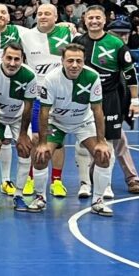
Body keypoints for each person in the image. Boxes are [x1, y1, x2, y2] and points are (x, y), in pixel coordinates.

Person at [30, 44, 113, 216]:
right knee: (40, 156)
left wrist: (101, 141)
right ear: (62, 61)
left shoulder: (92, 77)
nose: (74, 65)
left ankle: (98, 200)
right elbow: (44, 111)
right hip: (57, 122)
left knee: (103, 156)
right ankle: (40, 198)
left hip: (83, 121)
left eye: (78, 61)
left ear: (83, 62)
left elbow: (97, 110)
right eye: (70, 61)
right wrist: (43, 143)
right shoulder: (51, 78)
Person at [74, 6, 139, 198]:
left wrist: (135, 100)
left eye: (98, 18)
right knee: (82, 140)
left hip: (111, 98)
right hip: (83, 98)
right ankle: (85, 183)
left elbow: (130, 74)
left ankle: (107, 183)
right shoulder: (78, 42)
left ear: (105, 20)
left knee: (111, 140)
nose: (94, 21)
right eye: (90, 18)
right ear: (84, 20)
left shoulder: (116, 43)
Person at [20, 4, 75, 198]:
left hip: (62, 97)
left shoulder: (68, 32)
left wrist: (70, 24)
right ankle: (30, 178)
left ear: (56, 16)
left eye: (47, 14)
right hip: (37, 97)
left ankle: (57, 181)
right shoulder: (25, 35)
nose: (43, 17)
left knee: (58, 141)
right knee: (35, 139)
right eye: (40, 13)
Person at [0, 43, 37, 211]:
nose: (12, 63)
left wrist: (22, 134)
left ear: (23, 60)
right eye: (9, 58)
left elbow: (29, 106)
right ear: (2, 57)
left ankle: (19, 195)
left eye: (17, 59)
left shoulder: (29, 76)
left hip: (18, 117)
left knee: (25, 148)